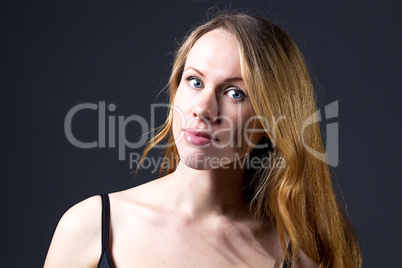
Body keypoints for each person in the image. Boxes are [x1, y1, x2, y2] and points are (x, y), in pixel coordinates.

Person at [44, 11, 362, 268]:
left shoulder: (302, 256)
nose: (203, 109)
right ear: (175, 91)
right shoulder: (92, 227)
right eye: (195, 81)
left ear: (270, 121)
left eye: (235, 93)